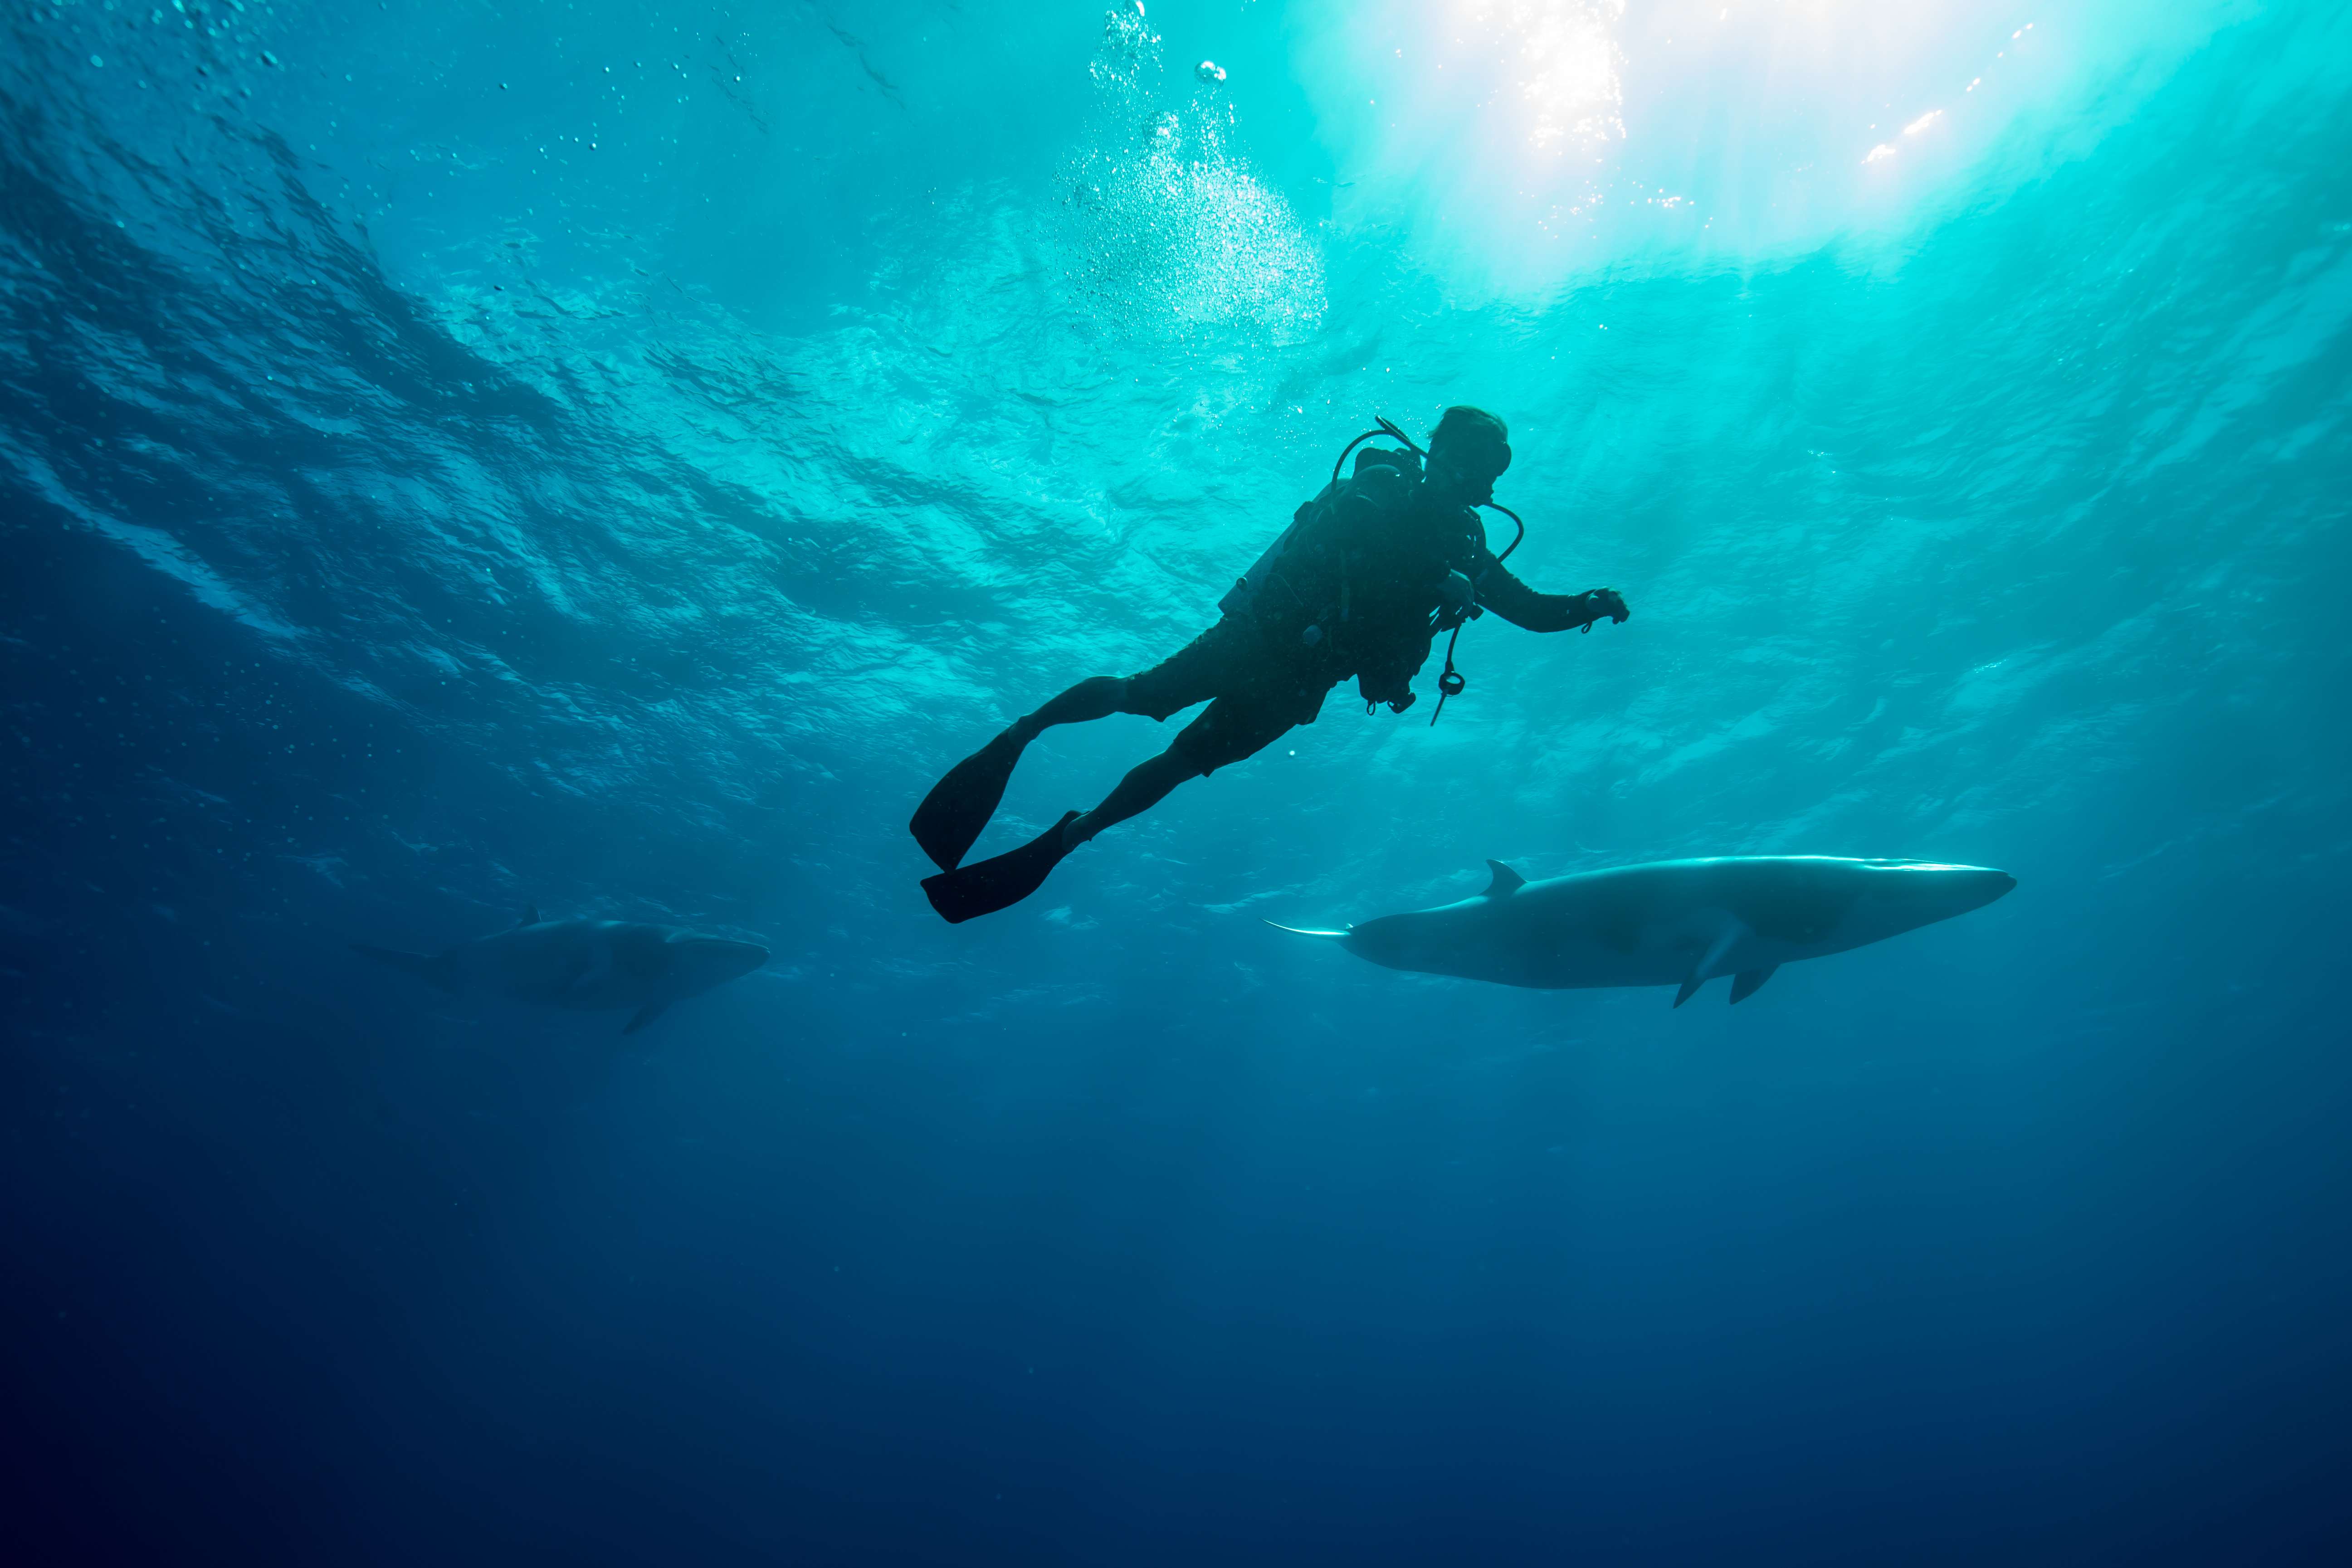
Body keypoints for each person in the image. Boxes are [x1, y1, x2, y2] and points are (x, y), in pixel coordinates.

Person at [911, 406, 1629, 923]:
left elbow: (1528, 609)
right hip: (1260, 638)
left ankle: (1073, 834)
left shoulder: (1472, 540)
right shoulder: (1386, 482)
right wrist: (1436, 572)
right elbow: (1352, 526)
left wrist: (1587, 604)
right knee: (1141, 695)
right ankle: (1022, 734)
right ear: (1442, 454)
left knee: (1184, 762)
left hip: (1301, 683)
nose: (1484, 483)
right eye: (1476, 464)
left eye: (1494, 471)